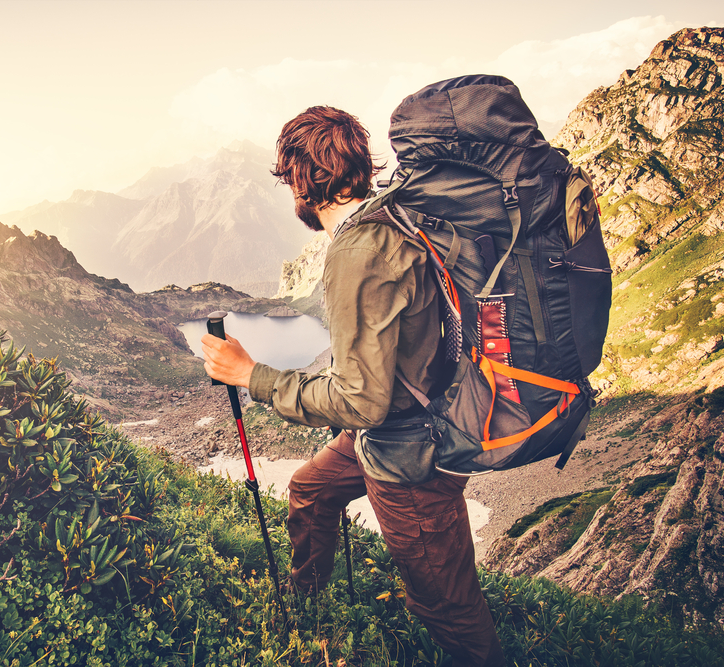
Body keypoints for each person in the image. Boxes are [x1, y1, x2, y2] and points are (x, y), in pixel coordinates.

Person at [201, 106, 505, 667]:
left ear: (299, 179)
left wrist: (251, 375)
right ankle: (311, 609)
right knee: (310, 491)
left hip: (410, 454)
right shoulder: (391, 218)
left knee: (444, 605)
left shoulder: (359, 250)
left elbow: (360, 401)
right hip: (396, 428)